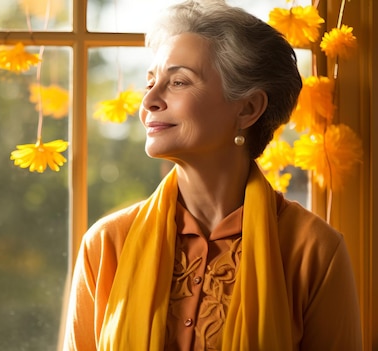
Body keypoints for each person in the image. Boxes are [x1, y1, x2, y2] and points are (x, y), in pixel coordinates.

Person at [61, 1, 362, 350]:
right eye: (150, 82)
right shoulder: (107, 244)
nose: (150, 101)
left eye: (178, 81)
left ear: (248, 108)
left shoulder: (313, 251)